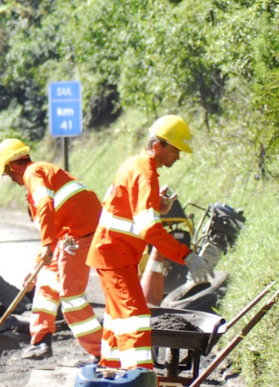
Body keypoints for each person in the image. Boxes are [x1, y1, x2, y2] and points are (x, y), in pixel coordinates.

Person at [86, 115, 215, 371]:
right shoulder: (145, 174)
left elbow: (126, 208)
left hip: (114, 254)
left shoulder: (136, 166)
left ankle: (111, 376)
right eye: (176, 150)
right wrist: (187, 256)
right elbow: (148, 228)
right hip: (114, 255)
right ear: (158, 146)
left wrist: (157, 204)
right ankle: (141, 386)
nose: (178, 157)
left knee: (116, 320)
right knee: (135, 318)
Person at [0, 138, 103, 361]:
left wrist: (46, 245)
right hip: (69, 235)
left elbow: (45, 205)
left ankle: (103, 353)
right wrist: (37, 265)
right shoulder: (44, 173)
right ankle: (40, 342)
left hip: (78, 235)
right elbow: (53, 228)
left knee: (71, 297)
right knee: (45, 283)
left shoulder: (33, 173)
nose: (12, 179)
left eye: (8, 174)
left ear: (12, 166)